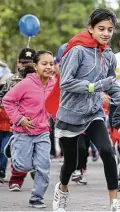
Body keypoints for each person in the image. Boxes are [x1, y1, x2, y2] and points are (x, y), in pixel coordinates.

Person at [50, 8, 120, 212]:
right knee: (71, 163)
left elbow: (109, 82)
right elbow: (65, 82)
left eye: (110, 29)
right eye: (101, 28)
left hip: (93, 112)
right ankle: (62, 190)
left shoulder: (109, 55)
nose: (106, 33)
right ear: (90, 29)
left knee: (107, 151)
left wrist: (119, 95)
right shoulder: (76, 50)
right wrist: (93, 87)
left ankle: (114, 202)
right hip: (70, 113)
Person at [3, 50, 56, 208]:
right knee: (23, 166)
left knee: (44, 166)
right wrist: (20, 119)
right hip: (23, 132)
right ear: (36, 66)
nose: (48, 67)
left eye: (51, 64)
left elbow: (56, 104)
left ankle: (36, 198)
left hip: (43, 132)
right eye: (44, 63)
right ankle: (13, 146)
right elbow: (8, 101)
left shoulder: (54, 84)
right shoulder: (26, 83)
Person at [1, 48, 37, 192]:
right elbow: (3, 98)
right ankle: (16, 180)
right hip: (18, 123)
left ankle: (38, 174)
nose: (26, 65)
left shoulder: (42, 79)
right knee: (21, 152)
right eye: (23, 62)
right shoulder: (12, 80)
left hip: (38, 122)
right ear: (18, 63)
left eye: (29, 63)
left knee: (39, 153)